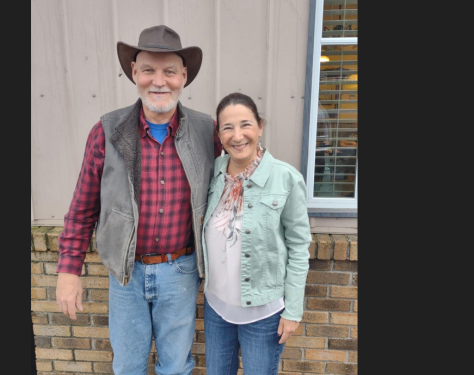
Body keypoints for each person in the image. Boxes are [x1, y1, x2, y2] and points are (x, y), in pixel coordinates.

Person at [55, 25, 221, 375]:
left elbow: (240, 180)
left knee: (175, 367)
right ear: (134, 72)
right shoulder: (106, 131)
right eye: (148, 70)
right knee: (128, 366)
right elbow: (83, 207)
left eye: (169, 72)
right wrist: (69, 270)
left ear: (183, 76)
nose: (158, 81)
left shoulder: (208, 132)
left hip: (181, 270)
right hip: (125, 275)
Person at [201, 92, 311, 375]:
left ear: (260, 126)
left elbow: (299, 247)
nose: (237, 136)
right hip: (217, 307)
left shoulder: (287, 178)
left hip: (263, 313)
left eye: (245, 124)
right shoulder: (213, 173)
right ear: (219, 134)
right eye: (227, 127)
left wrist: (293, 311)